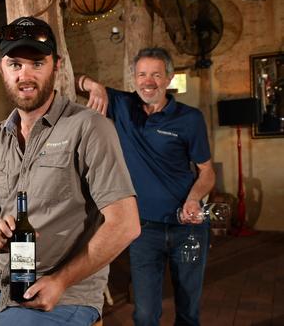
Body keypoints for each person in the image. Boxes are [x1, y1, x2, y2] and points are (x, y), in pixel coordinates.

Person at [0, 16, 140, 325]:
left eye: (37, 63)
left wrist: (60, 281)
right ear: (1, 68)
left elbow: (126, 225)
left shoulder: (89, 128)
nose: (26, 75)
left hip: (63, 294)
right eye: (15, 64)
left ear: (56, 65)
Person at [78, 47, 216, 325]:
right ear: (134, 78)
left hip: (187, 228)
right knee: (144, 313)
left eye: (155, 74)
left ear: (169, 78)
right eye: (141, 74)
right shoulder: (122, 105)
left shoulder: (189, 118)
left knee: (189, 310)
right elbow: (72, 80)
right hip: (143, 230)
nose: (147, 81)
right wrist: (93, 85)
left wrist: (194, 199)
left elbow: (207, 171)